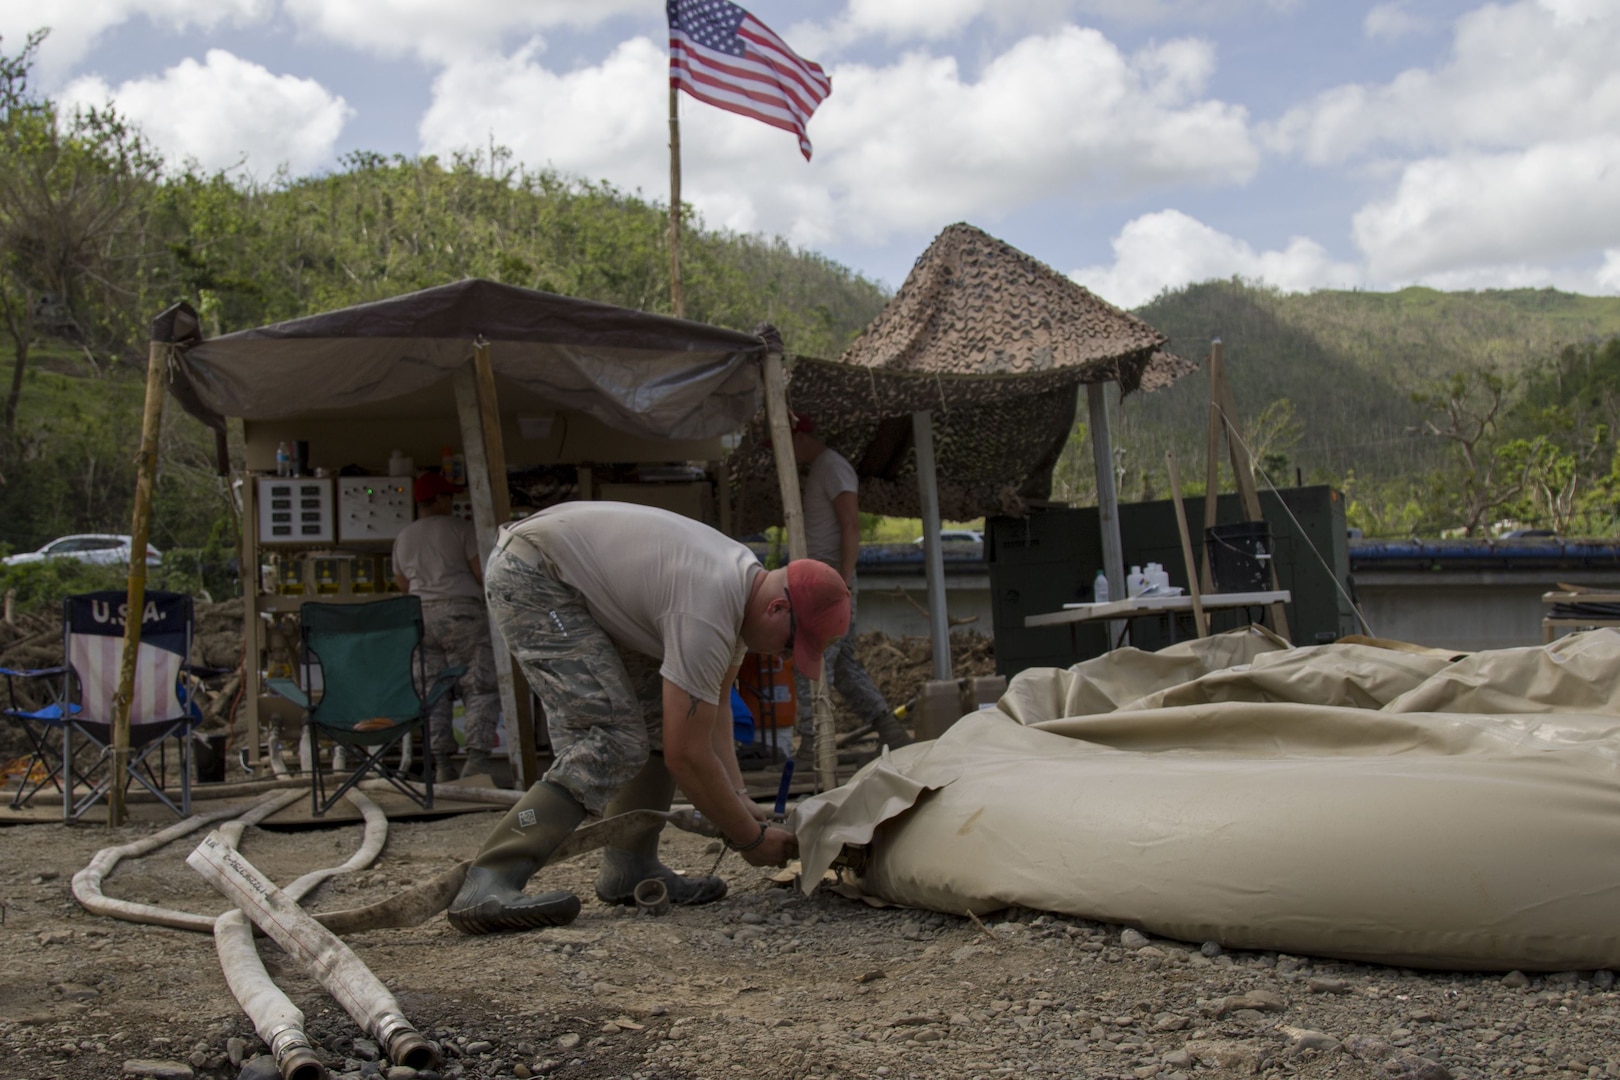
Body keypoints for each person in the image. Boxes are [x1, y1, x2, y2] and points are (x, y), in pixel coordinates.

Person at [447, 500, 850, 935]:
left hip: (562, 577)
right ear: (777, 609)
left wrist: (738, 798)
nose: (786, 656)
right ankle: (489, 879)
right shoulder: (708, 605)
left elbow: (709, 714)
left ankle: (631, 867)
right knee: (614, 738)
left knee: (662, 717)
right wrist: (747, 839)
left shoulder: (742, 592)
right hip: (533, 575)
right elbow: (687, 755)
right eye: (792, 645)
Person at [788, 414, 912, 765]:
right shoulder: (823, 469)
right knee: (842, 669)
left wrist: (841, 580)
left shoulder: (834, 468)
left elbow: (851, 524)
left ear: (800, 437)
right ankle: (890, 731)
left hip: (830, 582)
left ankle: (815, 746)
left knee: (810, 661)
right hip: (825, 579)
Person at [391, 473, 500, 782]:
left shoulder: (404, 536)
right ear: (439, 499)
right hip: (462, 613)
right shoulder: (460, 528)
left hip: (421, 617)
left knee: (432, 691)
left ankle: (441, 764)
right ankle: (477, 759)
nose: (452, 502)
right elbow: (483, 574)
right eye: (448, 496)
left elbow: (402, 583)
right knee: (479, 684)